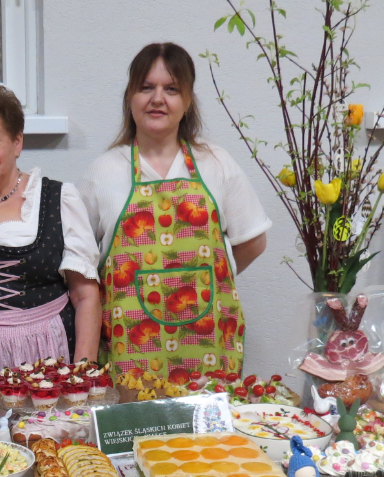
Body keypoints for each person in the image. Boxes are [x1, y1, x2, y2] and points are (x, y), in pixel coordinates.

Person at [79, 43, 271, 384]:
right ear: (130, 98)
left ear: (187, 101)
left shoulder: (216, 162)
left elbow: (253, 240)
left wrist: (211, 279)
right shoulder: (103, 172)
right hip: (131, 355)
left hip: (210, 347)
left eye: (171, 89)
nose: (158, 99)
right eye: (146, 87)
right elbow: (81, 267)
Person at [0, 85, 101, 387]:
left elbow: (85, 296)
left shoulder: (57, 199)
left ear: (17, 142)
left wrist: (81, 377)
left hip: (42, 358)